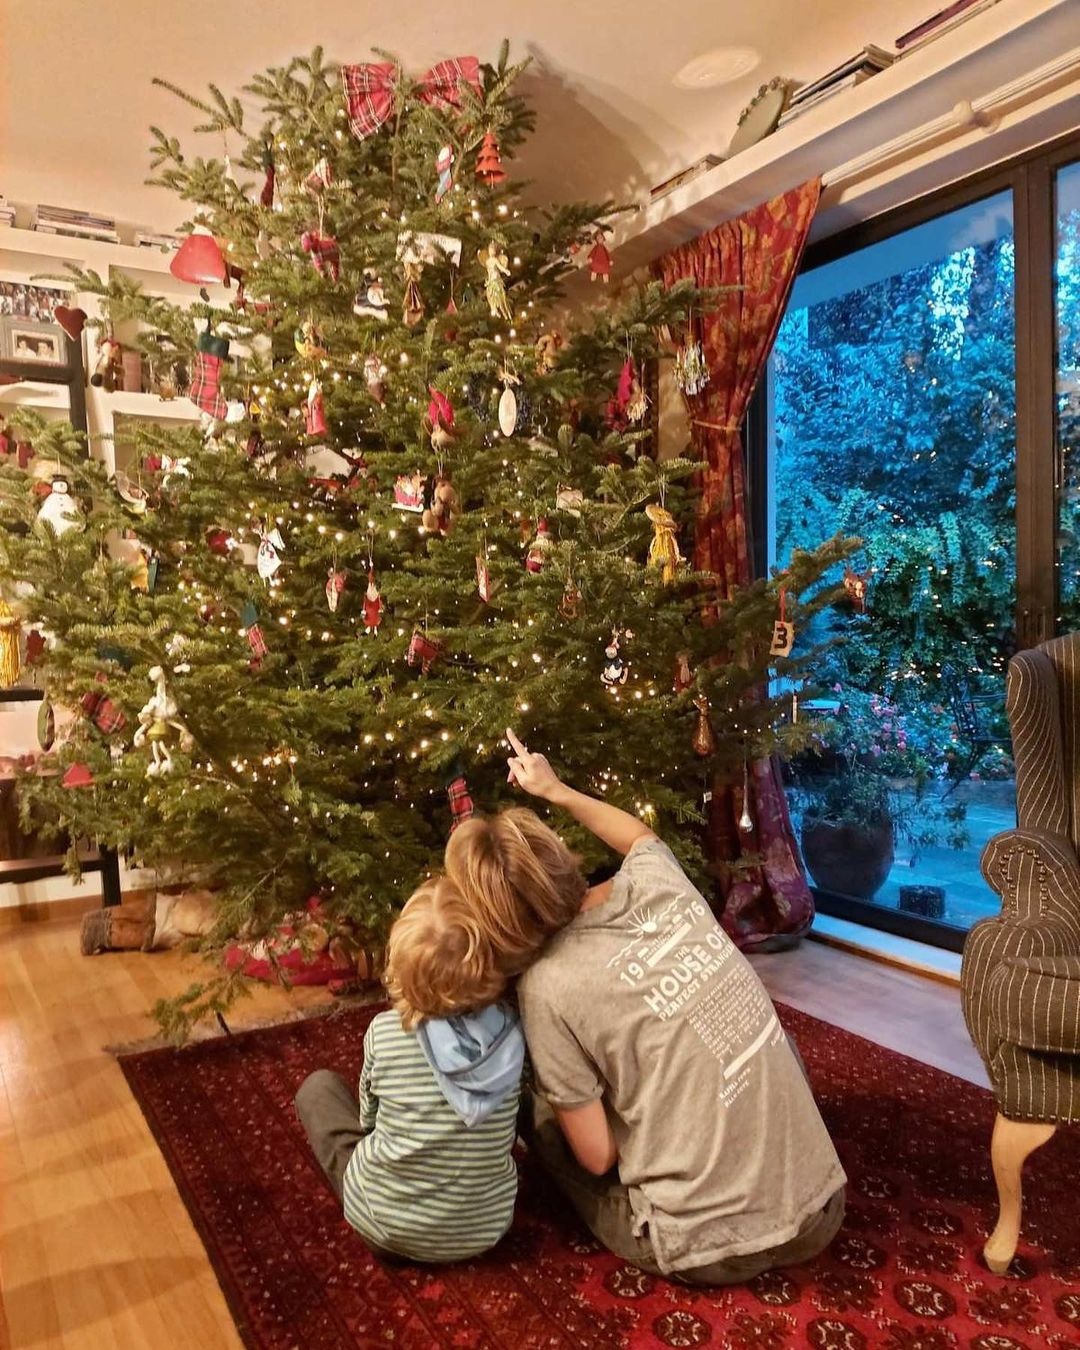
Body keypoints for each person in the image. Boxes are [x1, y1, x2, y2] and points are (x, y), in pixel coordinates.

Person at [442, 728, 846, 1285]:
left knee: (537, 1108)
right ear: (559, 854)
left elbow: (599, 1158)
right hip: (823, 1210)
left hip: (711, 1252)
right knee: (761, 1039)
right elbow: (636, 835)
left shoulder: (545, 987)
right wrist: (556, 790)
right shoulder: (656, 877)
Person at [294, 876, 524, 1261]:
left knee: (318, 1089)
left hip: (384, 1227)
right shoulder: (510, 1037)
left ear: (397, 967)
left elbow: (369, 1121)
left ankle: (393, 1205)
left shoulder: (385, 1033)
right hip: (485, 1230)